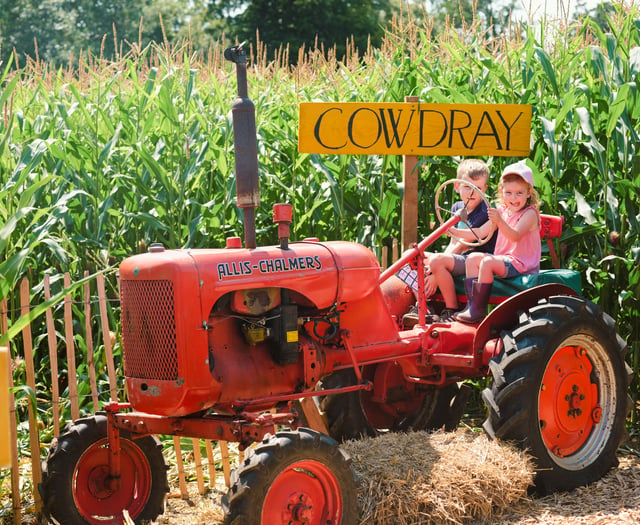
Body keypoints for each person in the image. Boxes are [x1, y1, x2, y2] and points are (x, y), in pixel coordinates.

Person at [402, 158, 497, 325]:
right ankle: (424, 306)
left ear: (485, 190)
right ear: (457, 186)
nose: (473, 193)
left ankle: (451, 310)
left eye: (478, 188)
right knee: (410, 256)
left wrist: (433, 272)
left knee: (437, 261)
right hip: (457, 258)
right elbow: (453, 243)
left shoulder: (485, 211)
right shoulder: (456, 208)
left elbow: (464, 244)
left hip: (476, 259)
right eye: (467, 187)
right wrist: (433, 267)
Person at [453, 160, 541, 324]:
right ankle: (472, 305)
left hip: (521, 264)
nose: (513, 198)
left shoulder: (530, 214)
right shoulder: (502, 210)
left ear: (529, 192)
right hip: (504, 260)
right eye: (508, 193)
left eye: (519, 193)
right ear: (501, 191)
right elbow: (479, 233)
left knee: (487, 262)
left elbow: (515, 236)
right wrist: (451, 230)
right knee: (472, 259)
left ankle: (478, 310)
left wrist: (499, 221)